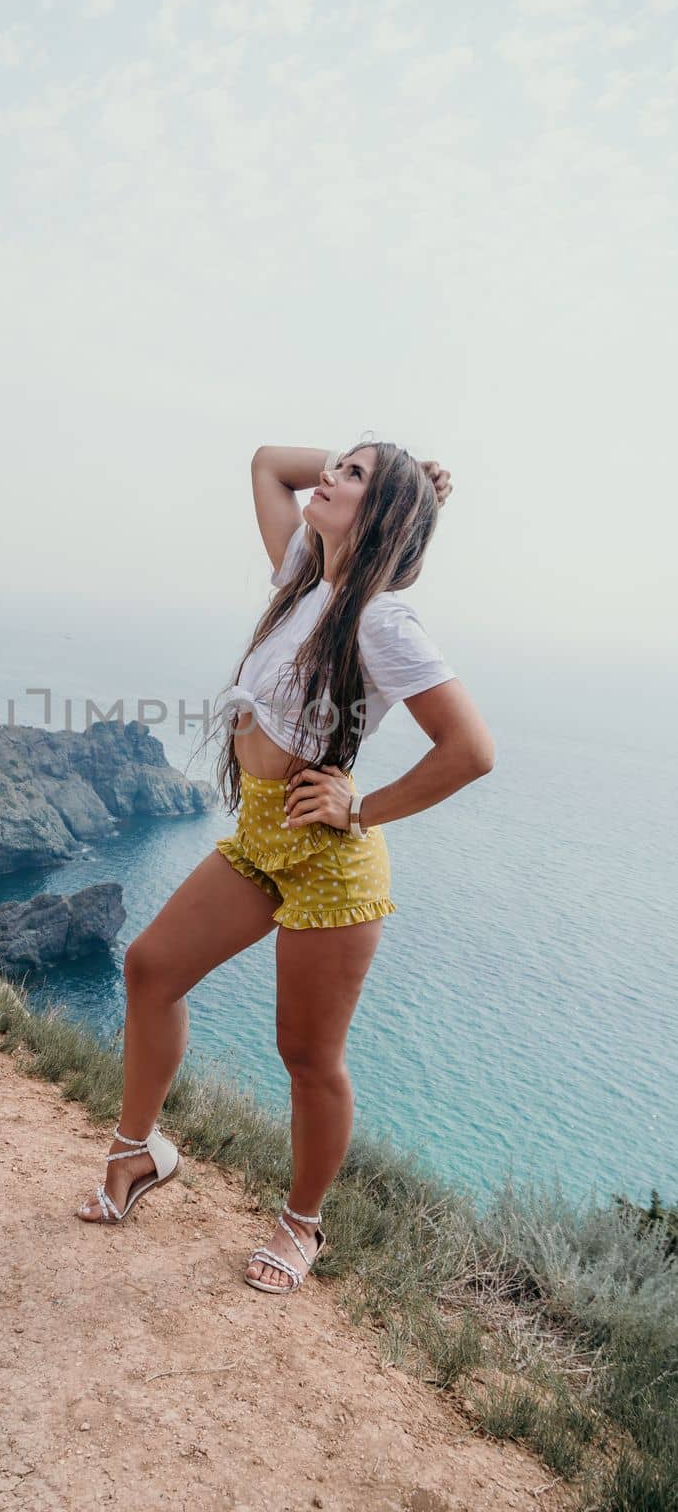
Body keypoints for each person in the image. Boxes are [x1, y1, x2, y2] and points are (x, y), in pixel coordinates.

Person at [74, 439, 495, 1297]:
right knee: (151, 967)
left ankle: (301, 1225)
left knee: (306, 1055)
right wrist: (402, 472)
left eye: (351, 477)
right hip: (264, 834)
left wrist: (362, 806)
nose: (328, 478)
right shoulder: (306, 574)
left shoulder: (380, 617)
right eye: (336, 466)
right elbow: (270, 460)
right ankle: (138, 1152)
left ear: (380, 516)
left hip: (329, 863)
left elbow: (471, 751)